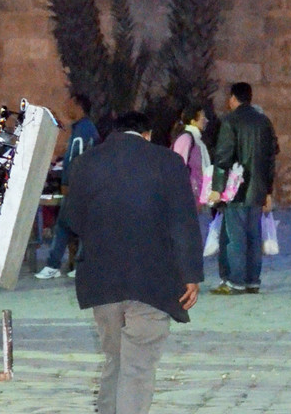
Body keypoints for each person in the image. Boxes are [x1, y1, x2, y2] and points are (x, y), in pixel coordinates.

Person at [60, 110, 203, 414]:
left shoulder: (86, 163)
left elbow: (72, 219)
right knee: (137, 366)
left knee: (115, 360)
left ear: (114, 133)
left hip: (102, 280)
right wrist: (190, 274)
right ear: (147, 134)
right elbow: (184, 223)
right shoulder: (167, 162)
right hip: (153, 279)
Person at [209, 82, 278, 294]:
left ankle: (235, 280)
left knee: (234, 236)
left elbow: (223, 157)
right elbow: (271, 158)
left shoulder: (230, 121)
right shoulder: (264, 122)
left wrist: (217, 188)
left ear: (233, 98)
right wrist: (268, 191)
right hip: (257, 188)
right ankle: (252, 280)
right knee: (254, 235)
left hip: (235, 189)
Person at [36, 94, 99, 280]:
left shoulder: (83, 131)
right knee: (80, 226)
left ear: (79, 107)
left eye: (69, 103)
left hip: (77, 187)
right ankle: (79, 266)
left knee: (65, 225)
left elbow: (75, 159)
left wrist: (67, 183)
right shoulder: (84, 129)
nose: (66, 106)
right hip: (83, 186)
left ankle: (54, 265)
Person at [171, 105, 213, 206]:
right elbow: (178, 168)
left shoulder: (198, 140)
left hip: (199, 197)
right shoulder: (186, 138)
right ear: (193, 121)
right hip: (189, 198)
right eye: (203, 117)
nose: (206, 120)